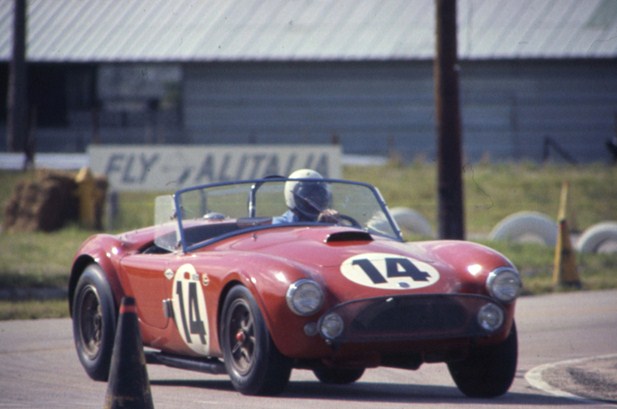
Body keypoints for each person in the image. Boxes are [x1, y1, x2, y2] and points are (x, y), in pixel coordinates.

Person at [272, 169, 339, 224]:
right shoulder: (281, 224)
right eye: (308, 194)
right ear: (292, 197)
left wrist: (334, 223)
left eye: (319, 194)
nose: (315, 198)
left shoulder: (327, 219)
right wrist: (319, 225)